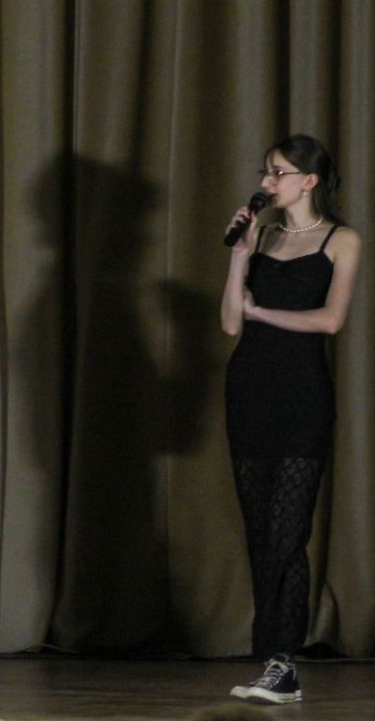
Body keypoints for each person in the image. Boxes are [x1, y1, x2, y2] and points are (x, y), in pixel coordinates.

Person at [220, 134, 361, 704]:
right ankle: (277, 665)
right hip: (249, 391)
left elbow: (330, 320)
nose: (266, 182)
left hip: (303, 394)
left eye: (278, 173)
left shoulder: (341, 240)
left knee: (287, 531)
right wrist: (238, 254)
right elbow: (231, 323)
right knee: (260, 532)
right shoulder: (261, 236)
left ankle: (282, 662)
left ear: (309, 181)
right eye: (266, 172)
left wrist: (263, 313)